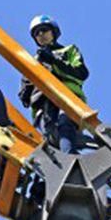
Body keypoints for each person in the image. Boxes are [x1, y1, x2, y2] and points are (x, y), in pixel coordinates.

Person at [19, 15, 90, 154]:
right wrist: (31, 76)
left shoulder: (68, 51)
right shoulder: (33, 62)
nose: (41, 35)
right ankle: (67, 164)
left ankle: (71, 160)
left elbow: (81, 73)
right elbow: (25, 98)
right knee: (52, 137)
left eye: (44, 30)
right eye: (36, 33)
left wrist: (53, 61)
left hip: (68, 99)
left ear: (53, 32)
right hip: (43, 107)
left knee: (65, 124)